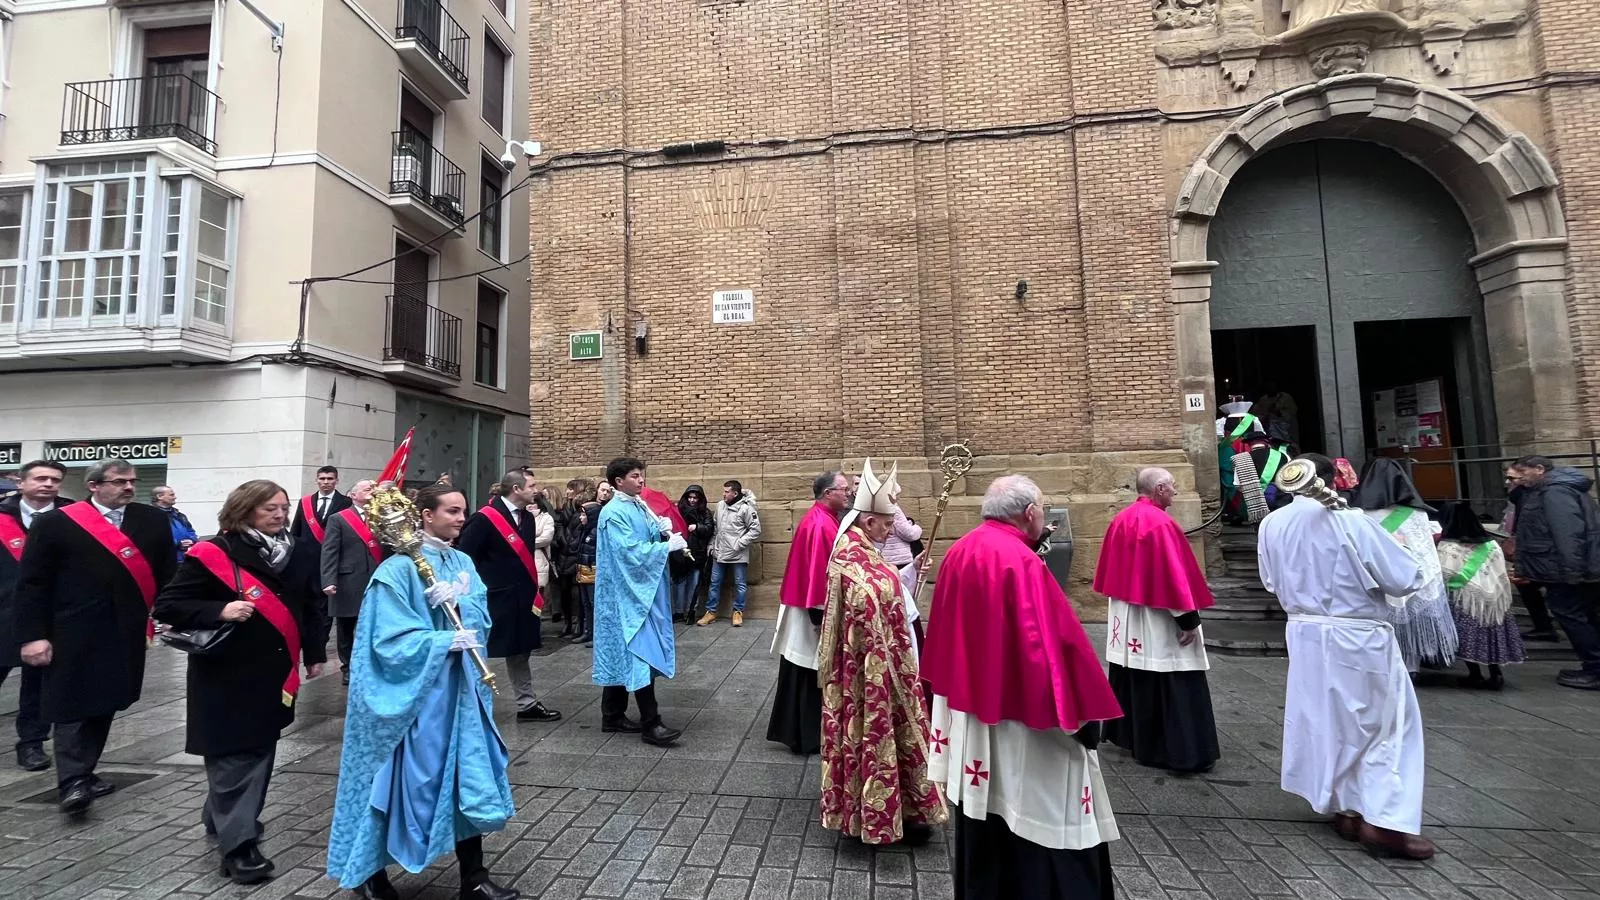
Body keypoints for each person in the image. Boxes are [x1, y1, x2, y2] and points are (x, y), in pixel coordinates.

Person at [925, 475, 1123, 899]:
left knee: (990, 816)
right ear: (1030, 513)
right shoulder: (1022, 563)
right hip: (1024, 721)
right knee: (1042, 816)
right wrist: (1082, 720)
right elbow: (1049, 648)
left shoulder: (962, 549)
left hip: (972, 705)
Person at [326, 482, 519, 900]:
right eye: (452, 511)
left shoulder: (461, 559)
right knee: (394, 783)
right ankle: (368, 875)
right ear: (426, 516)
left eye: (462, 510)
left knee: (467, 777)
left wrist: (464, 604)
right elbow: (384, 643)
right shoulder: (395, 572)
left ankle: (474, 876)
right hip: (416, 703)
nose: (461, 518)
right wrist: (437, 641)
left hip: (461, 695)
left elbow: (480, 617)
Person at [1257, 453, 1432, 859]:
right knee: (1384, 725)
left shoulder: (1272, 523)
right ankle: (1384, 822)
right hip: (1356, 634)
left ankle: (1344, 806)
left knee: (1326, 720)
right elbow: (1404, 577)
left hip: (1303, 631)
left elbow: (1269, 581)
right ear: (1331, 479)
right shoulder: (1351, 521)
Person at [153, 480, 327, 884]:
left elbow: (311, 605)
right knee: (235, 754)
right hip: (225, 673)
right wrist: (220, 610)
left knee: (259, 748)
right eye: (270, 508)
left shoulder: (299, 550)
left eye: (284, 507)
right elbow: (169, 605)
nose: (280, 515)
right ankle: (240, 848)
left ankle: (223, 817)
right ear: (244, 509)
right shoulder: (215, 552)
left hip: (275, 672)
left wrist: (316, 655)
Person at [14, 458, 177, 815]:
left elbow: (167, 576)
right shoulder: (56, 523)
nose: (129, 487)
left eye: (132, 481)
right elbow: (32, 585)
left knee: (106, 700)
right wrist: (32, 637)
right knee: (71, 703)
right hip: (71, 630)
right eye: (119, 482)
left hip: (125, 630)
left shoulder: (151, 520)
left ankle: (85, 770)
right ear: (94, 485)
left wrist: (171, 617)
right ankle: (72, 782)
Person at [817, 459, 947, 845]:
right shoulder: (849, 554)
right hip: (869, 673)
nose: (891, 531)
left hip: (885, 667)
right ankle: (873, 815)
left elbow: (887, 586)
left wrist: (908, 573)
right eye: (887, 524)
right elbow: (868, 601)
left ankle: (905, 810)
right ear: (867, 520)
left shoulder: (866, 548)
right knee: (874, 738)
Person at [1094, 467, 1219, 774]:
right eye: (1172, 486)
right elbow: (1172, 577)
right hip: (1157, 615)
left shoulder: (1122, 519)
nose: (1175, 491)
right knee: (1172, 675)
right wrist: (1188, 620)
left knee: (1138, 676)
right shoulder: (1161, 523)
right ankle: (1181, 751)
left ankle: (1139, 741)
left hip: (1127, 612)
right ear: (1160, 488)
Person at [456, 471, 561, 723]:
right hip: (493, 597)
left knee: (520, 650)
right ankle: (470, 702)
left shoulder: (527, 517)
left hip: (521, 597)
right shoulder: (484, 519)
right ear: (516, 488)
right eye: (532, 485)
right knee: (478, 649)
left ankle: (527, 703)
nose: (536, 490)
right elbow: (465, 559)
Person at [592, 458, 682, 746]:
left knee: (623, 650)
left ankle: (612, 715)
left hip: (637, 591)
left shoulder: (637, 505)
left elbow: (641, 538)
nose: (641, 481)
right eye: (635, 476)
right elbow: (629, 552)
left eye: (641, 476)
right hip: (624, 594)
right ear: (619, 481)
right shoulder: (614, 511)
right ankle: (650, 722)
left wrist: (659, 531)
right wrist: (665, 546)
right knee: (639, 651)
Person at [767, 471, 850, 755]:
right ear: (828, 493)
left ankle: (804, 732)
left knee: (804, 670)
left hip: (808, 606)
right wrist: (819, 612)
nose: (848, 493)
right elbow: (818, 572)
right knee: (807, 670)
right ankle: (806, 736)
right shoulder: (820, 525)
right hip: (811, 610)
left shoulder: (823, 518)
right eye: (843, 489)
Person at [1351, 458, 1457, 672]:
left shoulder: (1359, 515)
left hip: (1372, 579)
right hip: (1410, 577)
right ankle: (1412, 666)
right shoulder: (1416, 513)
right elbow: (1424, 550)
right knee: (1408, 626)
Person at [1506, 456, 1600, 690]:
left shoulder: (1555, 492)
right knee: (1582, 613)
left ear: (1539, 469)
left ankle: (1595, 668)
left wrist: (1572, 571)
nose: (1517, 478)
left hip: (1567, 568)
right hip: (1569, 566)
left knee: (1569, 612)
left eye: (1521, 472)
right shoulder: (1551, 490)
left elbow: (1567, 533)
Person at [0, 460, 69, 772]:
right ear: (21, 484)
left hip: (49, 615)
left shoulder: (72, 516)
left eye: (55, 480)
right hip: (4, 612)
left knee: (38, 685)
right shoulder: (2, 518)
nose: (48, 484)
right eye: (40, 478)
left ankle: (31, 744)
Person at [1435, 502, 1525, 690]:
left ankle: (1474, 674)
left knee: (1468, 638)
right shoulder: (1491, 544)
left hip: (1465, 601)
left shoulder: (1448, 546)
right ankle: (1496, 674)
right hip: (1494, 601)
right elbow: (1499, 570)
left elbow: (1445, 573)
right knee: (1491, 638)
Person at [320, 480, 384, 685]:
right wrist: (328, 580)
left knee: (375, 625)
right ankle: (347, 667)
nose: (372, 491)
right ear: (353, 495)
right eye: (367, 488)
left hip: (376, 578)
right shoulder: (338, 519)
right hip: (348, 580)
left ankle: (372, 664)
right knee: (346, 628)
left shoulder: (381, 517)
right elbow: (330, 551)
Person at [700, 480, 761, 627]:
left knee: (740, 584)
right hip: (719, 552)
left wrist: (739, 544)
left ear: (735, 493)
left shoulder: (746, 509)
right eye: (724, 491)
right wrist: (711, 545)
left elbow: (755, 529)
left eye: (727, 492)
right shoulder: (720, 506)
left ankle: (738, 612)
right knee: (714, 583)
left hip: (738, 554)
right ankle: (711, 612)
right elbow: (716, 528)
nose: (724, 494)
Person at [671, 485, 714, 623]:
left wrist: (697, 527)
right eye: (690, 497)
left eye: (695, 498)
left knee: (694, 584)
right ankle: (678, 612)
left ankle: (691, 611)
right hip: (680, 554)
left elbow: (709, 529)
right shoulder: (678, 510)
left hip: (697, 554)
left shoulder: (705, 512)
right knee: (679, 584)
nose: (692, 500)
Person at [570, 481, 601, 645]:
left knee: (594, 604)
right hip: (583, 571)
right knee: (586, 604)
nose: (581, 517)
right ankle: (587, 631)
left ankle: (596, 634)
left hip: (593, 572)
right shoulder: (585, 530)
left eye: (584, 514)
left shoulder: (597, 532)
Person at [291, 465, 351, 549]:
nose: (326, 482)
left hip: (334, 552)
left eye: (330, 479)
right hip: (307, 553)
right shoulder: (305, 502)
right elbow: (295, 530)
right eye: (322, 479)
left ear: (336, 481)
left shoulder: (347, 502)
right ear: (316, 480)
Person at [152, 486, 199, 563]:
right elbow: (152, 538)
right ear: (159, 497)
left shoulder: (179, 515)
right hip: (164, 561)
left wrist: (192, 540)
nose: (175, 497)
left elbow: (190, 531)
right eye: (171, 495)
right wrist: (177, 543)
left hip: (184, 559)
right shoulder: (151, 516)